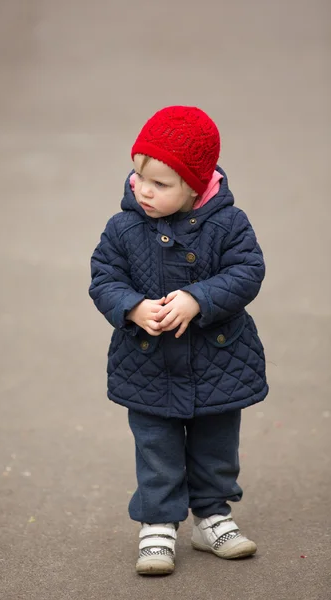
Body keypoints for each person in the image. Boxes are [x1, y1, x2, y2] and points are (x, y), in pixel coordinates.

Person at [89, 106, 268, 576]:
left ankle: (212, 516)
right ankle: (158, 523)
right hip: (147, 364)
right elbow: (104, 276)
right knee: (156, 445)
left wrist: (198, 298)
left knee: (215, 444)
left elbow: (248, 271)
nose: (144, 190)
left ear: (196, 185)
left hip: (218, 360)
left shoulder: (229, 224)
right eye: (139, 176)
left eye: (161, 184)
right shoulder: (123, 228)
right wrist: (131, 306)